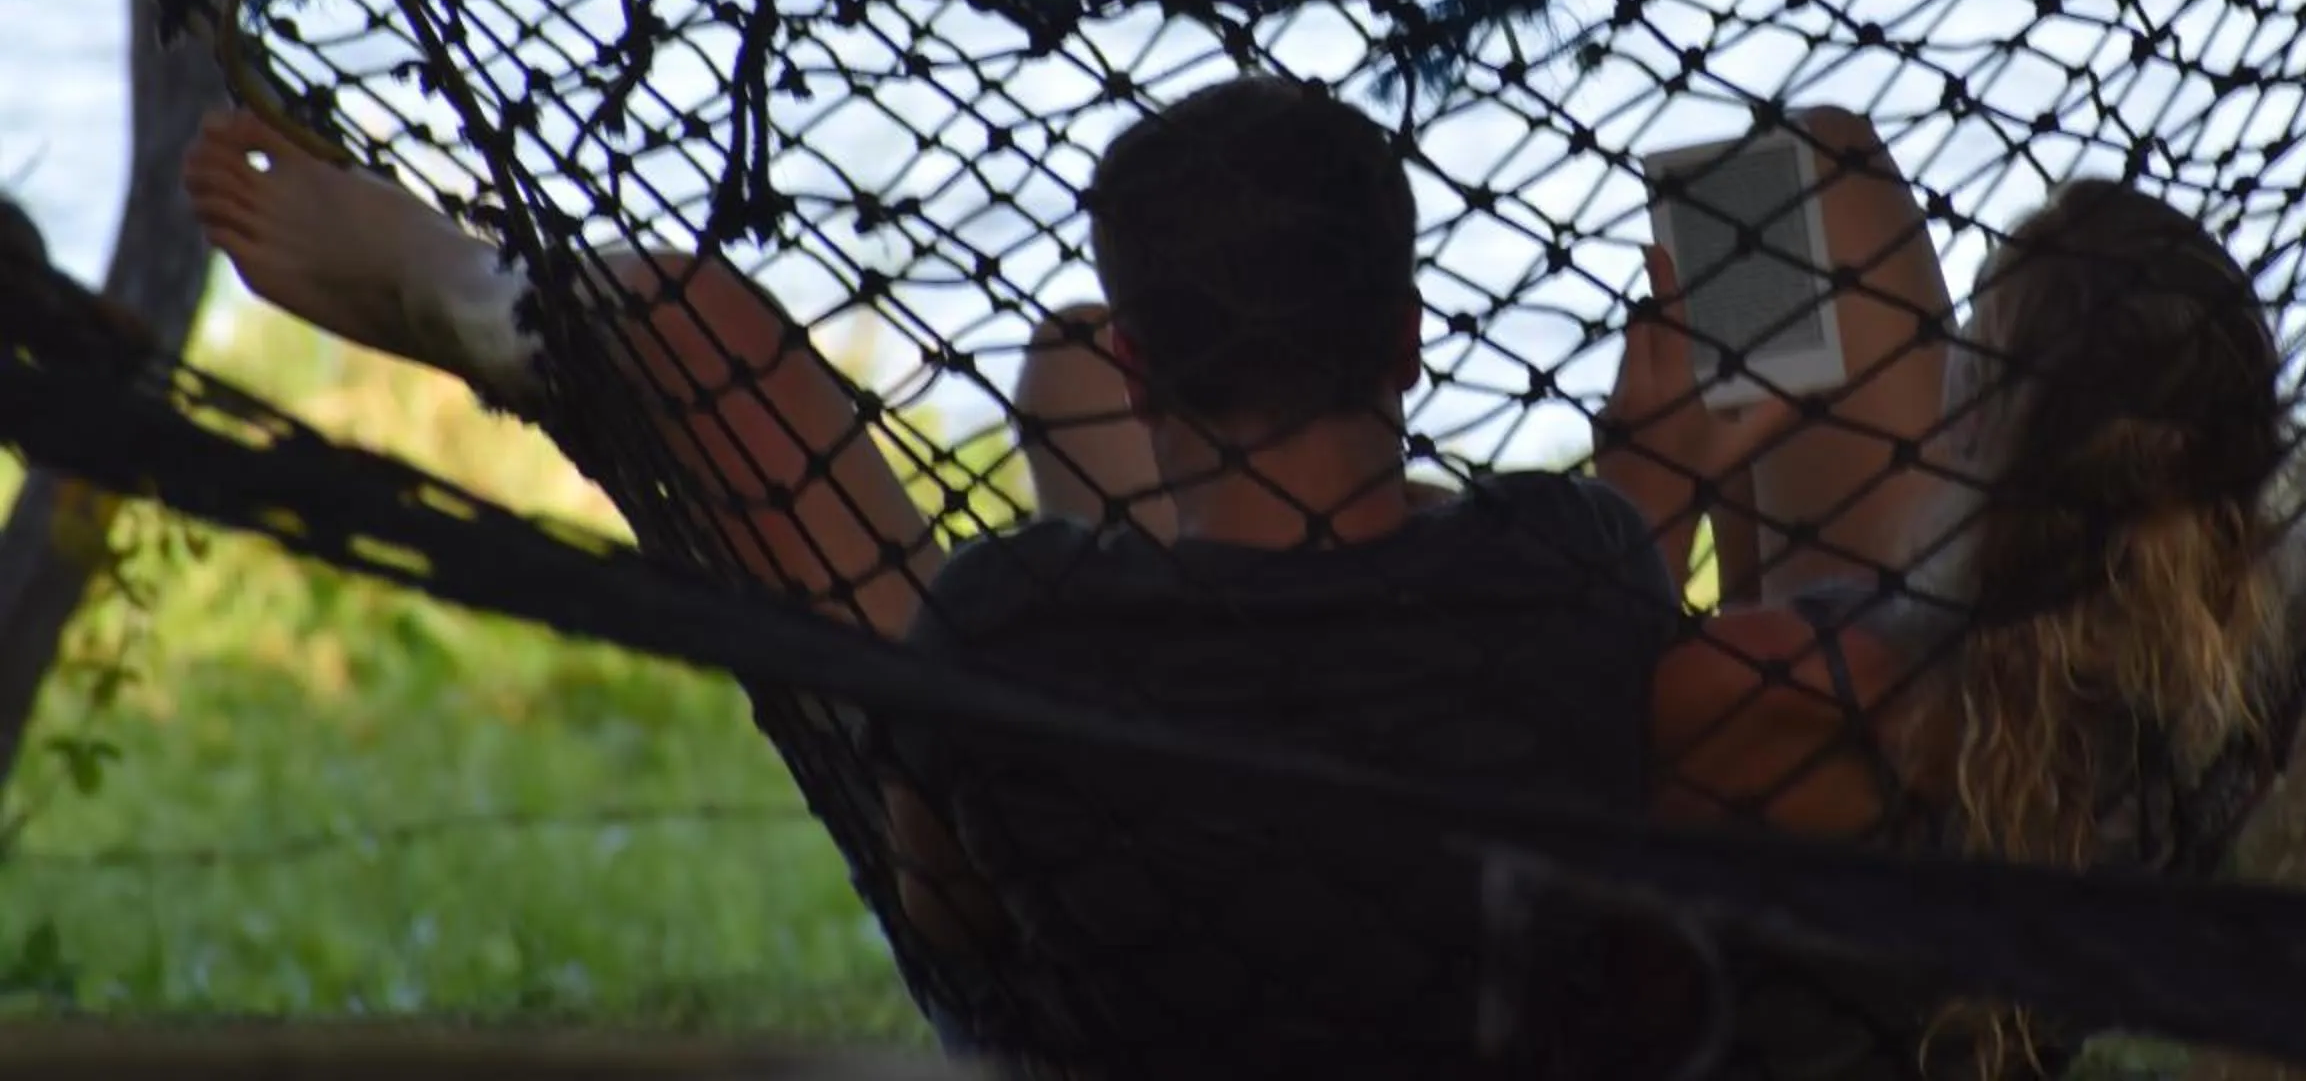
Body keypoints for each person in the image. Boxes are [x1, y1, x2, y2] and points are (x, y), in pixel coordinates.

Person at [184, 76, 1684, 1078]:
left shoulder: (1012, 619)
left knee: (707, 339)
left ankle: (466, 282)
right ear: (1410, 335)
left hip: (1093, 1006)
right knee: (1059, 374)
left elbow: (950, 908)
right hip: (1482, 898)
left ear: (1160, 372)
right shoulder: (1575, 561)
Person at [1602, 143, 2306, 1080]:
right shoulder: (2297, 650)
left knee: (1805, 173)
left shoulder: (1810, 687)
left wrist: (1642, 492)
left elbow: (1572, 744)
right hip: (2033, 788)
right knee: (1806, 175)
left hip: (1871, 785)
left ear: (1977, 433)